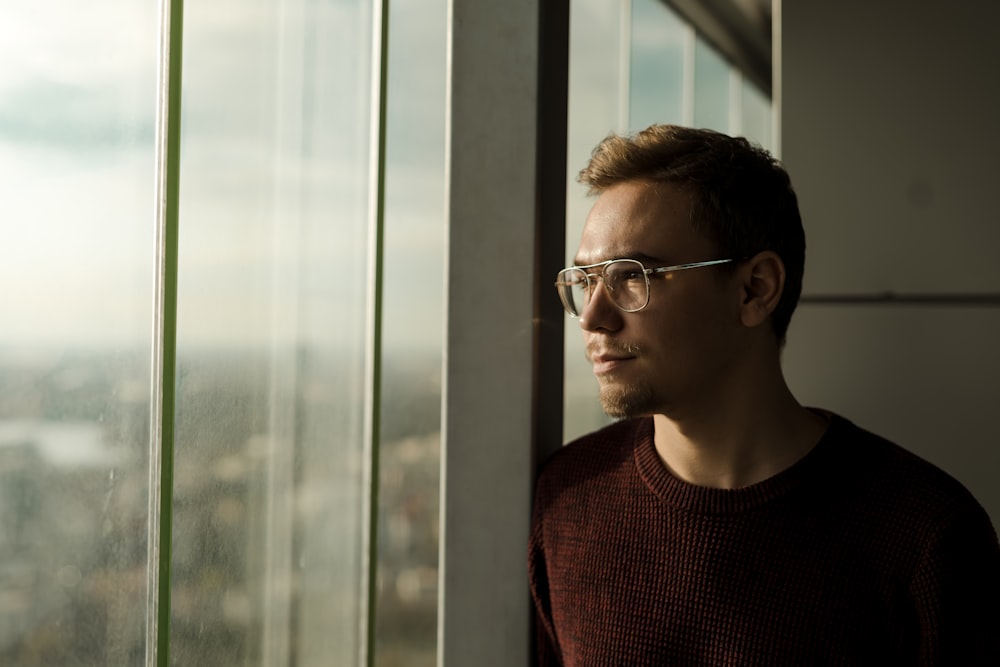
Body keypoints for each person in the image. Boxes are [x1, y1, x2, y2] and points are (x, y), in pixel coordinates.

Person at [528, 124, 1000, 665]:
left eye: (633, 276)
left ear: (755, 290)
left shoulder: (925, 536)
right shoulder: (566, 498)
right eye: (585, 279)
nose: (592, 317)